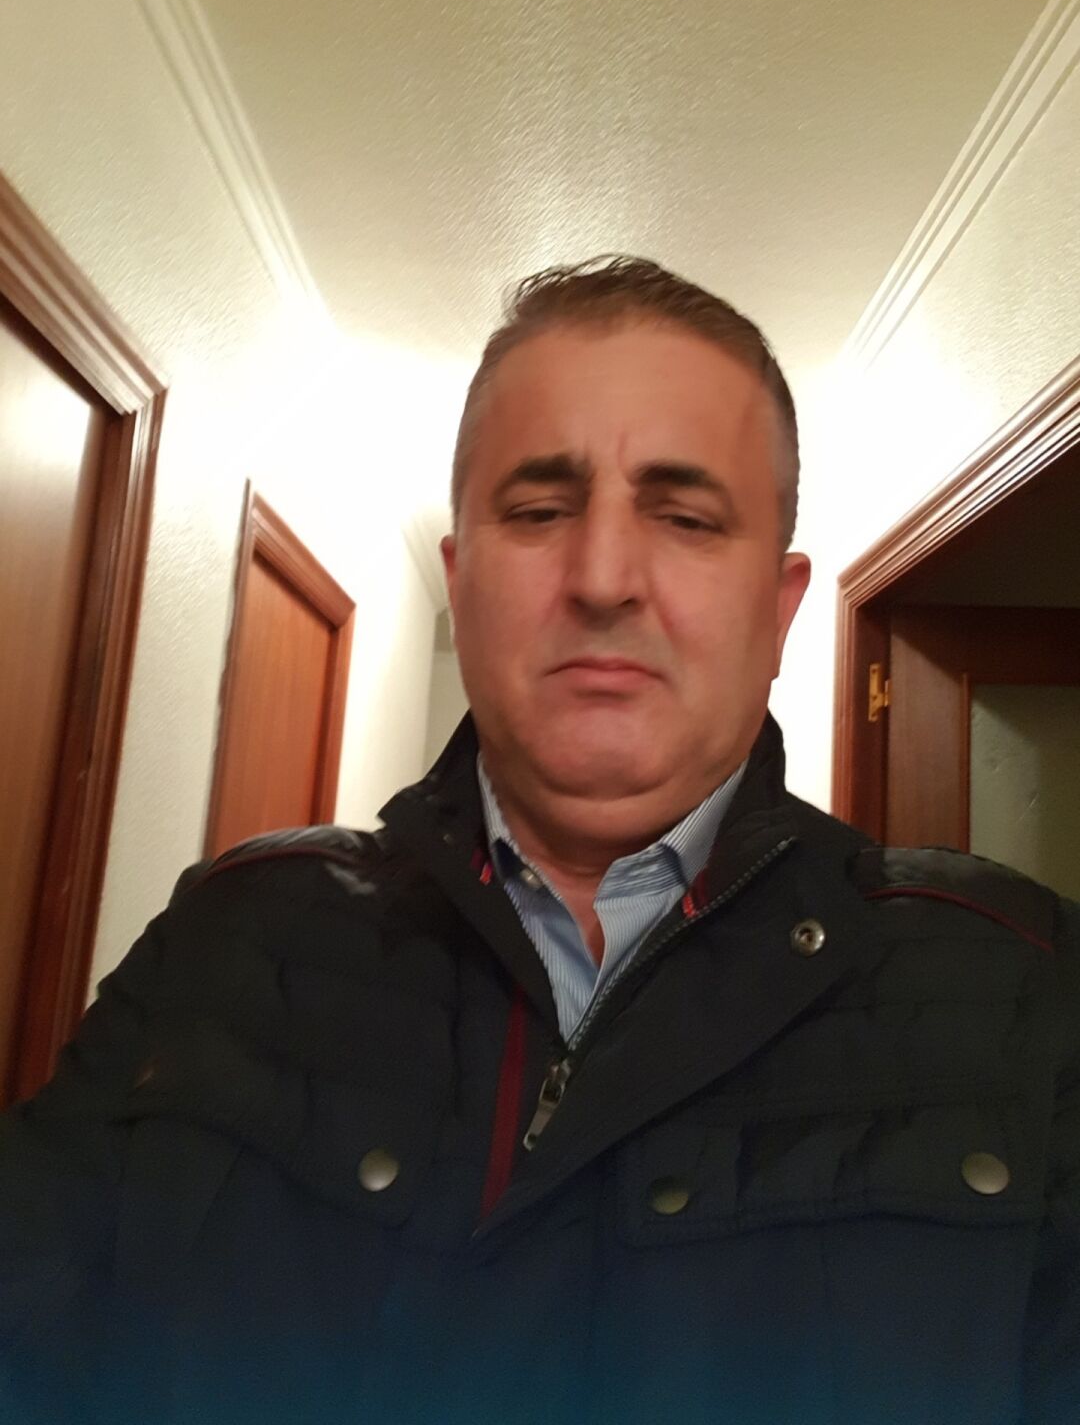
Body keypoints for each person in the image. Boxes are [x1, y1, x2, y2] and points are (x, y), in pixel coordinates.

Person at [2, 256, 1078, 1425]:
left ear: (777, 613)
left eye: (686, 518)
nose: (604, 579)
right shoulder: (228, 934)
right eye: (537, 511)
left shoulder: (1028, 984)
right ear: (461, 584)